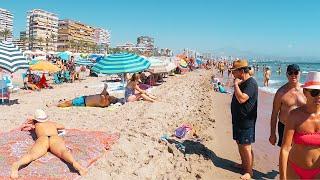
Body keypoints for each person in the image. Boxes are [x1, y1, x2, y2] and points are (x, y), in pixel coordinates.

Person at [10, 109, 87, 178]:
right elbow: (62, 126)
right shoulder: (52, 123)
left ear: (36, 119)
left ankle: (17, 165)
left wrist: (31, 121)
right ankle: (74, 163)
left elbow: (23, 128)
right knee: (63, 152)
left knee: (31, 155)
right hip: (54, 137)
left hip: (43, 138)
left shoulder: (35, 125)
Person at [279, 71, 320, 179]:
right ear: (305, 92)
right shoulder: (294, 116)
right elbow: (285, 148)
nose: (319, 96)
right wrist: (282, 177)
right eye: (315, 92)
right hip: (295, 170)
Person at [230, 59, 258, 180]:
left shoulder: (251, 83)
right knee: (240, 143)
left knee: (246, 146)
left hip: (246, 120)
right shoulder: (243, 82)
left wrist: (235, 84)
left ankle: (249, 171)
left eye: (234, 71)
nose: (232, 74)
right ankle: (244, 164)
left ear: (241, 71)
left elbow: (242, 99)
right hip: (238, 119)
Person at [269, 64, 306, 147]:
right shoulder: (281, 93)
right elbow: (274, 114)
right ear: (286, 74)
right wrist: (272, 134)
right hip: (285, 127)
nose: (293, 75)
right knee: (285, 154)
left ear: (300, 73)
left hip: (302, 128)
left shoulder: (306, 91)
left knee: (301, 155)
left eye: (296, 73)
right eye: (290, 73)